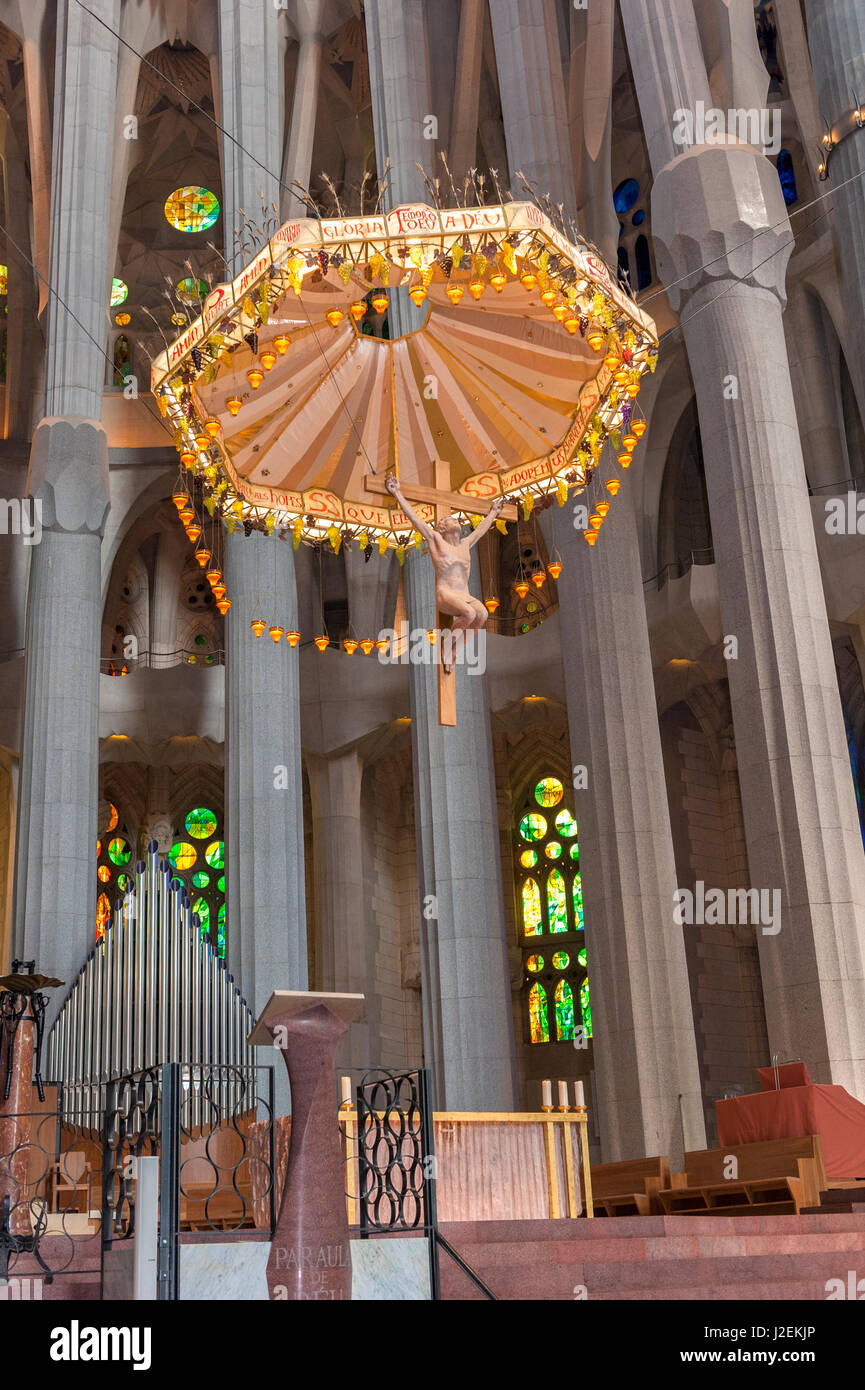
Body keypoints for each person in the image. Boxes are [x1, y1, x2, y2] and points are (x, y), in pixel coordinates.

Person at [385, 472, 505, 668]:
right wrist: (397, 493)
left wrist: (493, 512)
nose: (455, 520)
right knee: (469, 613)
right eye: (450, 519)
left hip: (464, 594)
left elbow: (481, 529)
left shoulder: (465, 543)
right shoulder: (436, 540)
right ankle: (448, 643)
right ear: (441, 528)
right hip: (446, 594)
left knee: (482, 615)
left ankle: (455, 648)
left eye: (456, 519)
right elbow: (416, 520)